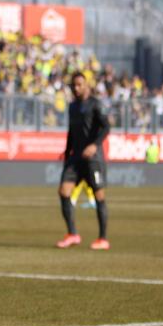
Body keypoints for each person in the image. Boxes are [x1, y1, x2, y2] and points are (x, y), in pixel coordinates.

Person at [57, 72, 110, 250]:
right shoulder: (72, 107)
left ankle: (102, 238)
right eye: (74, 85)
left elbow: (106, 127)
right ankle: (72, 234)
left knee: (99, 195)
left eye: (79, 85)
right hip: (75, 157)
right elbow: (71, 132)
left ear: (86, 85)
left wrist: (95, 145)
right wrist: (66, 152)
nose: (76, 88)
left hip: (93, 159)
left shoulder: (95, 105)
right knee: (64, 191)